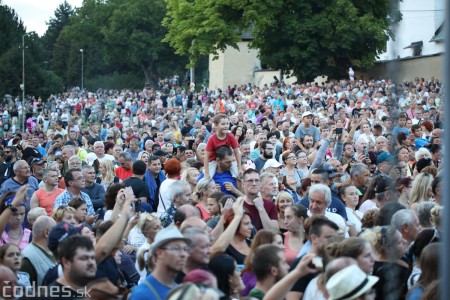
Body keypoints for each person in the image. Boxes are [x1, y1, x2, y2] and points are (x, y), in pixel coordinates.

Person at [130, 226, 190, 300]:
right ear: (160, 253)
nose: (183, 254)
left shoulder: (177, 287)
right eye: (176, 248)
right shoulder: (142, 294)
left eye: (185, 249)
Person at [240, 229, 283, 296]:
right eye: (279, 243)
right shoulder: (248, 274)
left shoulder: (282, 271)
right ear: (267, 246)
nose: (283, 247)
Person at [20, 216, 57, 286]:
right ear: (47, 233)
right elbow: (25, 293)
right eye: (55, 230)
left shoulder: (52, 251)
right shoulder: (27, 258)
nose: (57, 234)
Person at [204, 114, 242, 179]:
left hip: (227, 159)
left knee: (238, 175)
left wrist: (240, 168)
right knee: (207, 178)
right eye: (223, 124)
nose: (226, 126)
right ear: (216, 125)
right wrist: (206, 172)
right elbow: (206, 156)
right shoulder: (212, 138)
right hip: (213, 160)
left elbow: (236, 152)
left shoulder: (230, 136)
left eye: (227, 124)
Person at [0, 186, 31, 251]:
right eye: (14, 214)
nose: (19, 218)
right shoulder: (1, 234)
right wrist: (14, 203)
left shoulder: (31, 235)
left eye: (22, 214)